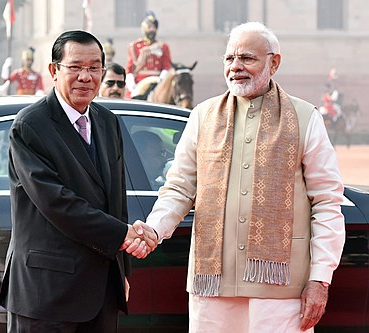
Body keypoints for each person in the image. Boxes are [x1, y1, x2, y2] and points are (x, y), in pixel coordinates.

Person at [126, 22, 346, 332]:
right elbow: (179, 187)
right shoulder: (203, 116)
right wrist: (154, 228)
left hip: (280, 289)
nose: (236, 67)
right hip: (213, 285)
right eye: (229, 59)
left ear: (274, 62)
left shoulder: (305, 118)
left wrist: (320, 279)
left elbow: (327, 203)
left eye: (247, 58)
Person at [0, 30, 149, 333]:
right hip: (47, 294)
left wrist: (122, 273)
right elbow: (56, 202)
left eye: (94, 68)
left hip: (101, 290)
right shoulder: (31, 126)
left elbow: (115, 199)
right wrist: (124, 235)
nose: (85, 77)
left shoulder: (107, 122)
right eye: (75, 67)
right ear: (54, 71)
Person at [125, 11, 172, 98]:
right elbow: (129, 69)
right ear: (143, 28)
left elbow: (167, 66)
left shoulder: (163, 47)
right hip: (139, 82)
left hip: (157, 82)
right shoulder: (135, 46)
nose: (152, 29)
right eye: (149, 27)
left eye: (154, 27)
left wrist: (161, 80)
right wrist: (132, 86)